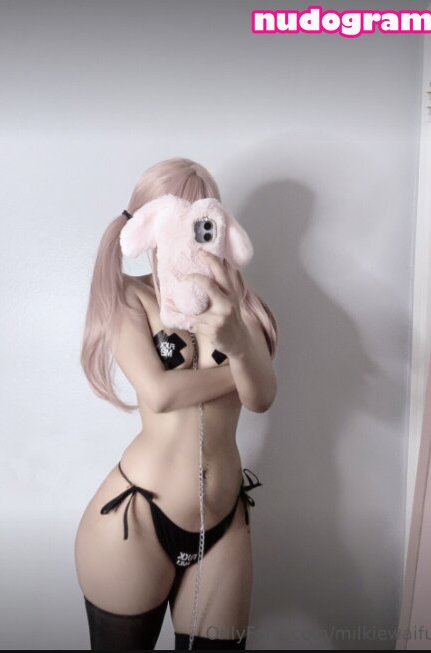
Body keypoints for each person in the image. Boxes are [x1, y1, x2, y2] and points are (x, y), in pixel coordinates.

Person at [74, 157, 278, 650]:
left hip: (223, 524)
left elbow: (261, 397)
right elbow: (160, 394)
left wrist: (237, 340)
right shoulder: (128, 297)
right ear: (149, 227)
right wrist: (239, 363)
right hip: (135, 519)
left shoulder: (241, 307)